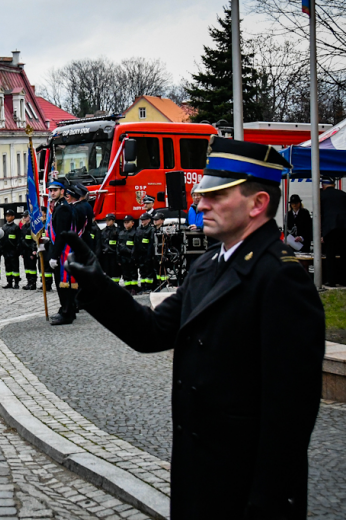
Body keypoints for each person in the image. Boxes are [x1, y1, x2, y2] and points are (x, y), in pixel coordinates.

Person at [62, 136, 324, 520]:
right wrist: (99, 285)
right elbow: (151, 332)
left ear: (258, 204)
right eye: (203, 193)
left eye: (216, 196)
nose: (200, 204)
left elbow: (289, 416)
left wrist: (267, 501)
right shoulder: (208, 265)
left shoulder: (281, 279)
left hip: (244, 492)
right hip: (199, 480)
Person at [47, 179, 78, 325]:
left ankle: (67, 313)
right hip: (61, 249)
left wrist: (54, 255)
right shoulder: (59, 206)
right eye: (51, 190)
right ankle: (66, 309)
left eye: (55, 190)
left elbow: (61, 234)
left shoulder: (63, 208)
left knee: (63, 283)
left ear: (62, 191)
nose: (52, 193)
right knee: (63, 283)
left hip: (63, 251)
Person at [320, 177, 346, 286]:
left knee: (330, 256)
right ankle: (344, 280)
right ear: (334, 185)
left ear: (323, 185)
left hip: (329, 229)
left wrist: (321, 234)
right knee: (344, 255)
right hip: (344, 227)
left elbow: (319, 215)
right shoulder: (343, 194)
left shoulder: (321, 196)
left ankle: (331, 281)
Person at [134, 213, 156, 291]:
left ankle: (149, 287)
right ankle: (143, 286)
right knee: (142, 271)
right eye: (141, 220)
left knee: (149, 271)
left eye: (144, 220)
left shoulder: (151, 230)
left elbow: (151, 243)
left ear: (149, 220)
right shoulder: (138, 229)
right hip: (140, 254)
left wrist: (149, 255)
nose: (142, 221)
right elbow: (136, 242)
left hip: (147, 254)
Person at [1, 209, 21, 289]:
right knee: (8, 267)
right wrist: (2, 249)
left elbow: (18, 240)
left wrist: (17, 250)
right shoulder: (4, 227)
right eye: (6, 216)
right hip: (6, 251)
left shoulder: (16, 227)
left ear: (13, 217)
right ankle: (9, 282)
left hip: (13, 251)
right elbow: (1, 239)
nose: (7, 217)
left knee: (15, 267)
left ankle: (16, 282)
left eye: (9, 216)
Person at [118, 215, 138, 294]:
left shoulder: (135, 233)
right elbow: (118, 246)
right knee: (125, 274)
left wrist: (133, 256)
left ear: (132, 223)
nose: (126, 224)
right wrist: (118, 257)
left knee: (133, 273)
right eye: (125, 222)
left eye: (128, 222)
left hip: (131, 257)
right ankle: (128, 288)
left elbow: (136, 246)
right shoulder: (121, 233)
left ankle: (134, 288)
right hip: (123, 257)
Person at [19, 211, 38, 290]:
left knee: (32, 267)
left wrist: (34, 250)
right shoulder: (23, 227)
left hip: (30, 250)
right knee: (26, 267)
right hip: (25, 250)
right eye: (24, 216)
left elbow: (35, 240)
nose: (24, 218)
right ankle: (29, 281)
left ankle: (33, 283)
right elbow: (21, 239)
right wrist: (21, 251)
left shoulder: (33, 226)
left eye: (26, 216)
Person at [100, 214, 121, 284]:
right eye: (106, 220)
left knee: (115, 271)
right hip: (105, 254)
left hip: (114, 254)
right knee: (107, 271)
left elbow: (119, 243)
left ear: (113, 221)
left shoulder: (117, 231)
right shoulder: (103, 231)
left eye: (109, 220)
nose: (107, 222)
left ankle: (115, 285)